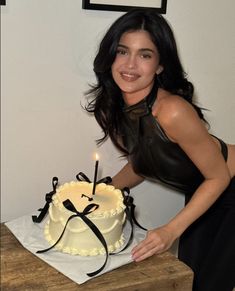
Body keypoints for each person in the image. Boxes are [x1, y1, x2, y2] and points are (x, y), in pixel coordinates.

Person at [85, 8, 235, 291]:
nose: (130, 65)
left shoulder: (172, 111)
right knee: (190, 280)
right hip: (205, 191)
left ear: (160, 65)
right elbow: (142, 163)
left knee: (209, 284)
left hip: (227, 186)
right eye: (122, 51)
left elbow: (219, 177)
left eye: (145, 55)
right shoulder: (115, 107)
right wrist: (103, 191)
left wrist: (171, 230)